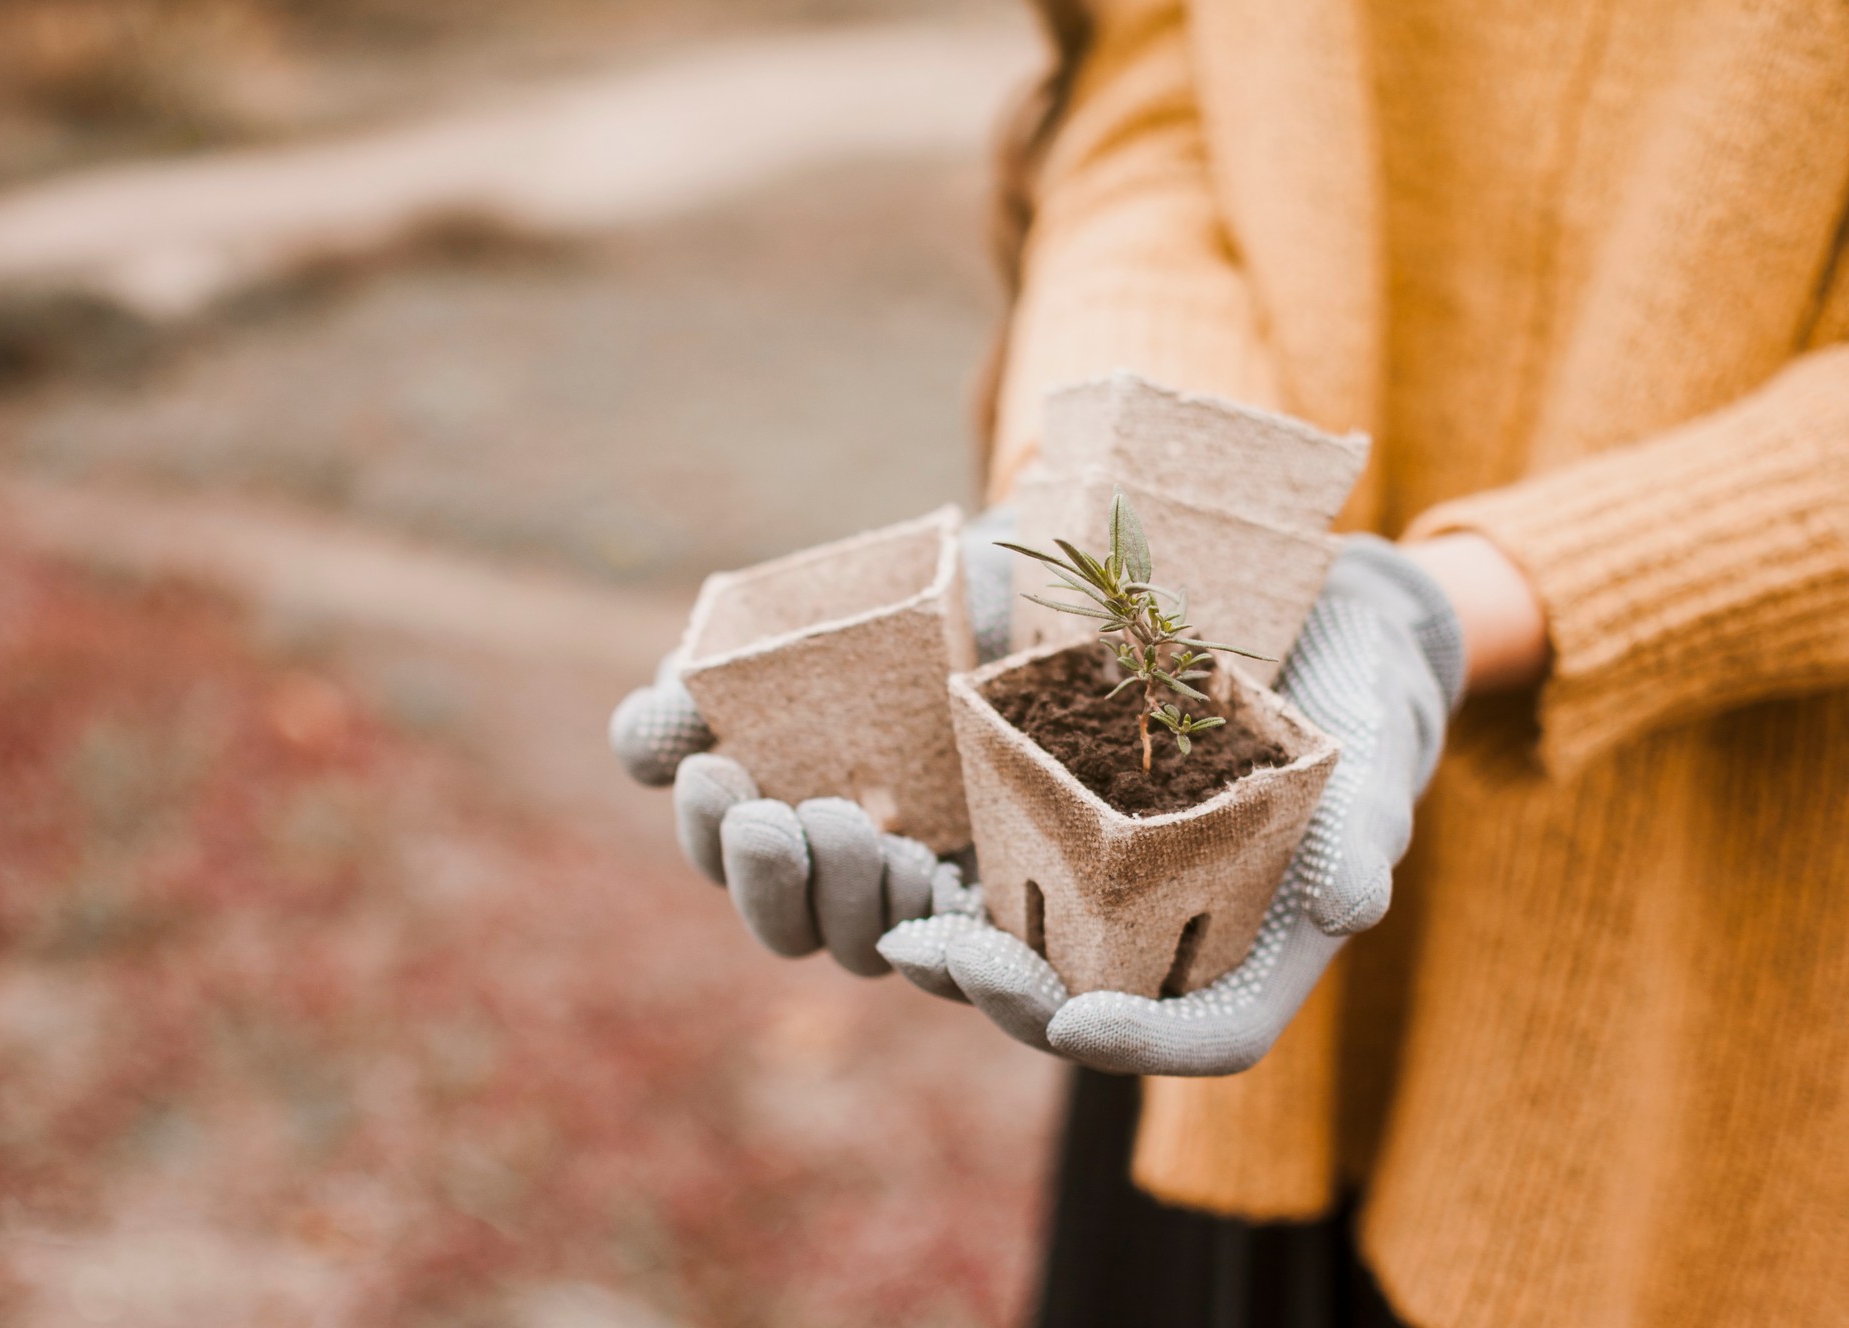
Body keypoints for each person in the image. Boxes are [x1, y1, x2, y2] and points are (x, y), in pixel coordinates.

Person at [614, 0, 1849, 1323]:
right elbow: (1161, 90)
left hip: (1735, 994)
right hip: (1196, 942)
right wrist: (1112, 487)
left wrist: (1466, 608)